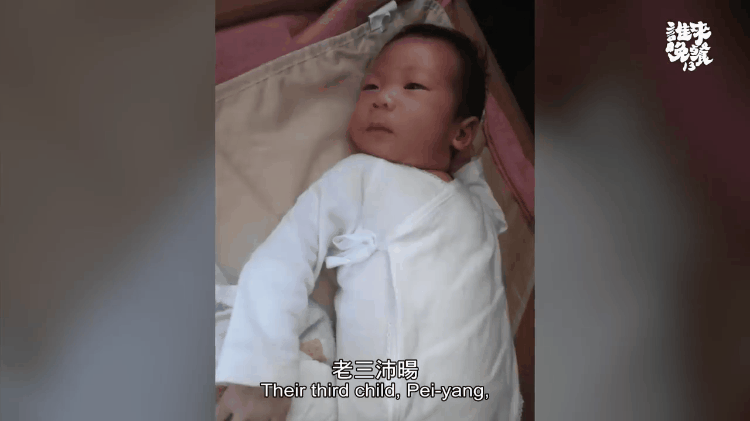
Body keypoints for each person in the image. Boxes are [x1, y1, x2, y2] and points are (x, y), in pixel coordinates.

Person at [215, 23, 522, 421]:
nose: (383, 98)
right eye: (371, 87)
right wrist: (259, 376)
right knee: (226, 325)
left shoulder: (477, 206)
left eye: (413, 86)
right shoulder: (361, 177)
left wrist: (457, 153)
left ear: (463, 133)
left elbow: (472, 165)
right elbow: (282, 261)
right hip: (365, 402)